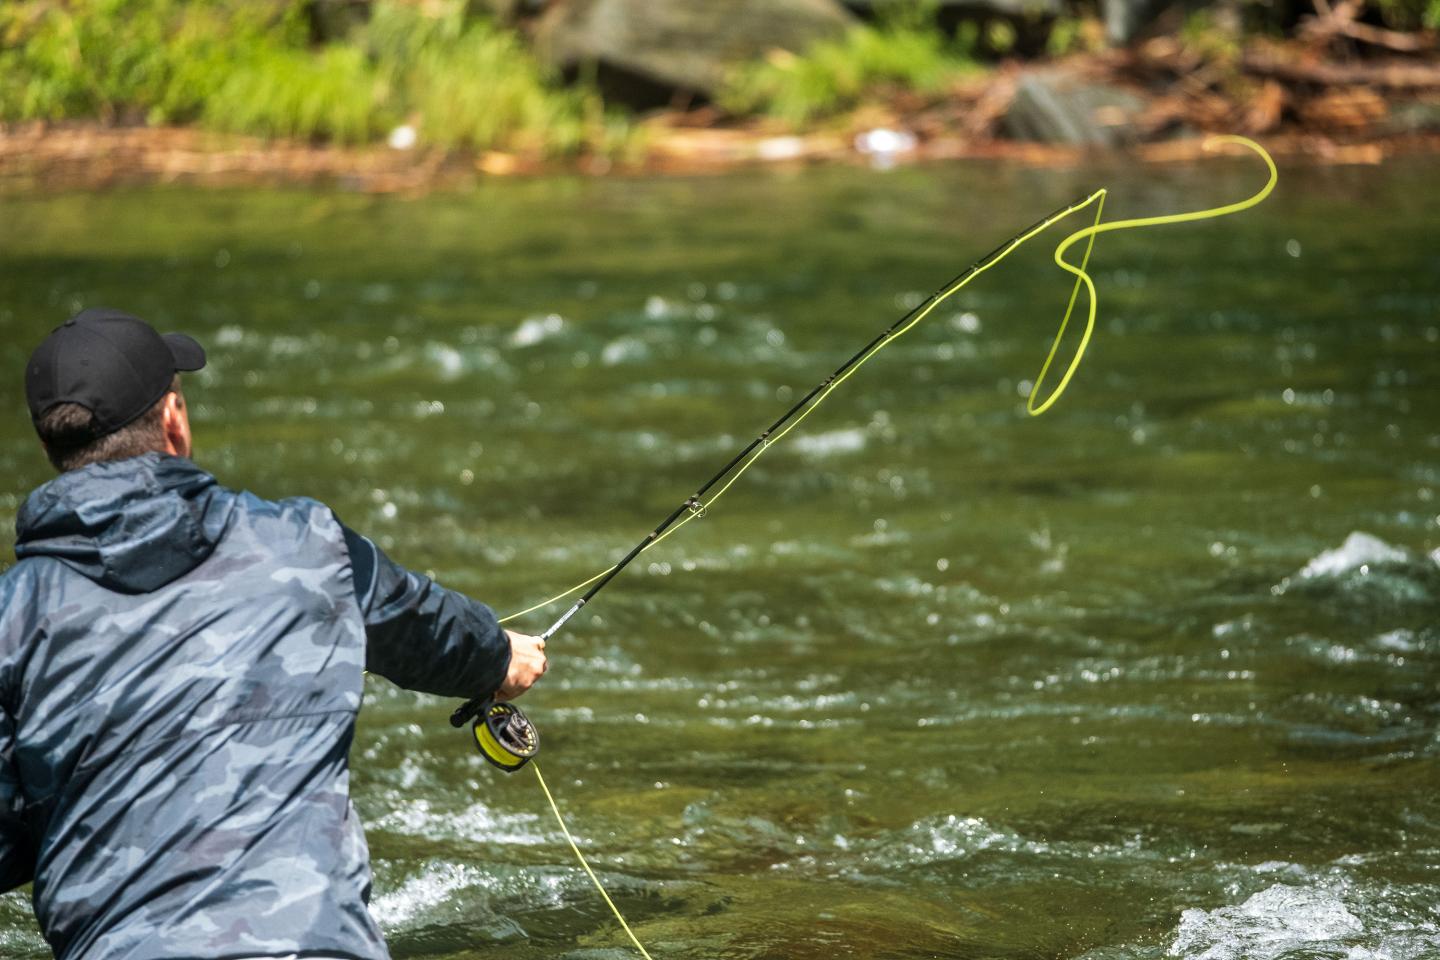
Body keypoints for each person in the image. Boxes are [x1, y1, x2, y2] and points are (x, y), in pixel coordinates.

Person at [0, 307, 547, 960]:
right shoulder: (305, 544)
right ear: (173, 419)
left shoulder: (13, 615)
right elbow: (424, 628)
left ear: (50, 448)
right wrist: (499, 658)